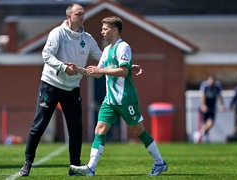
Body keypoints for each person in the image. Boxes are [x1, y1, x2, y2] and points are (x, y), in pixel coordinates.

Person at [19, 4, 142, 177]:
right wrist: (63, 67)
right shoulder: (58, 33)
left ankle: (74, 166)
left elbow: (104, 58)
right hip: (51, 84)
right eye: (79, 14)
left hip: (72, 88)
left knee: (76, 129)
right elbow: (46, 55)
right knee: (39, 126)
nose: (82, 16)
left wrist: (128, 64)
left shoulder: (88, 38)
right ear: (69, 16)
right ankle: (27, 163)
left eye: (83, 14)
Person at [70, 16, 167, 176]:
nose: (102, 31)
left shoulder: (124, 47)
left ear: (114, 30)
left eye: (105, 28)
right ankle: (90, 168)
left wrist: (101, 70)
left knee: (138, 131)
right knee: (99, 129)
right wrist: (78, 69)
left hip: (125, 98)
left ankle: (160, 163)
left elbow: (124, 71)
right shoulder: (107, 50)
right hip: (110, 100)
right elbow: (97, 74)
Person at [197, 75, 225, 143]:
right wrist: (203, 105)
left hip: (212, 108)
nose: (211, 82)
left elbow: (220, 95)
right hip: (205, 108)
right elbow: (202, 95)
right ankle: (204, 136)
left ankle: (200, 133)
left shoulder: (217, 86)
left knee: (210, 123)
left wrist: (221, 104)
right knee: (206, 124)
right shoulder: (205, 85)